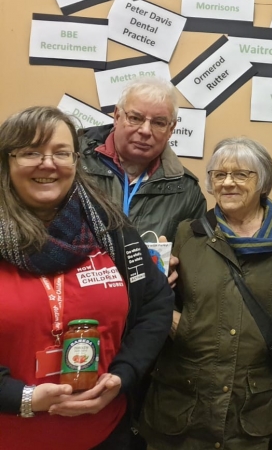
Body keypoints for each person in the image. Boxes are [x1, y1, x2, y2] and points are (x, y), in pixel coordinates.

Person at [0, 106, 173, 450]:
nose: (48, 164)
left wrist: (123, 375)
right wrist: (21, 397)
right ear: (6, 161)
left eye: (61, 153)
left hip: (106, 435)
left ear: (76, 161)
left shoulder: (110, 230)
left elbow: (156, 303)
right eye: (31, 152)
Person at [140, 137, 272, 449]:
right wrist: (174, 322)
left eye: (241, 174)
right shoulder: (188, 234)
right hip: (182, 401)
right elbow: (157, 293)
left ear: (263, 181)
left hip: (250, 407)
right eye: (219, 175)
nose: (228, 183)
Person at [78, 77, 206, 242]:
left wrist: (178, 267)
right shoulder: (74, 164)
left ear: (171, 129)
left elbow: (193, 258)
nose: (145, 131)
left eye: (159, 123)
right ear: (117, 117)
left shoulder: (187, 192)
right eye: (135, 118)